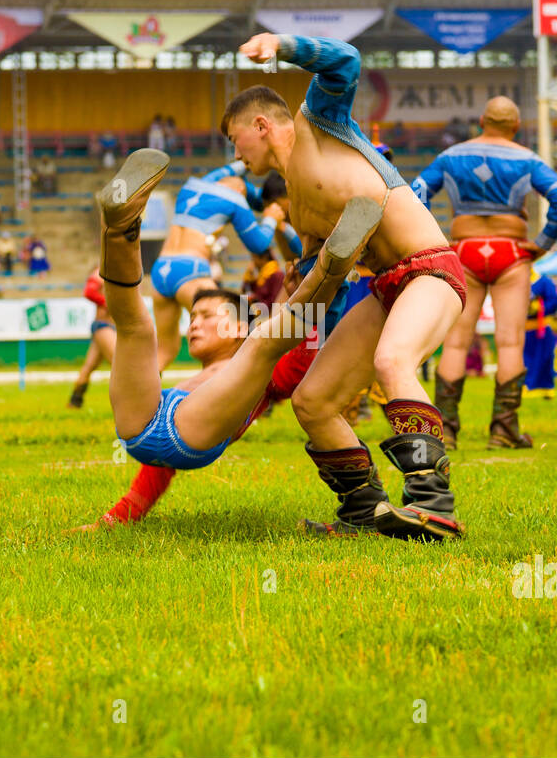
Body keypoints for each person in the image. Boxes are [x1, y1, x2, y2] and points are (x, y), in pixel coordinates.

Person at [230, 33, 468, 541]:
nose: (236, 154)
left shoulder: (318, 123)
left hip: (431, 269)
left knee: (393, 361)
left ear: (260, 124)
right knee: (312, 400)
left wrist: (282, 44)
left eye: (235, 140)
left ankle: (434, 504)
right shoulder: (297, 207)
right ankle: (363, 512)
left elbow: (346, 61)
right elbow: (323, 286)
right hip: (384, 289)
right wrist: (262, 350)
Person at [92, 148, 379, 499]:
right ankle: (119, 226)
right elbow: (156, 465)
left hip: (192, 434)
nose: (193, 325)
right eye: (193, 317)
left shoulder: (264, 376)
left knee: (264, 345)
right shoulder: (209, 371)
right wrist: (118, 517)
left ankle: (330, 271)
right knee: (135, 324)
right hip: (142, 426)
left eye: (208, 317)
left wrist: (309, 300)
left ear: (240, 326)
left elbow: (294, 351)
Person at [413, 95, 557, 449]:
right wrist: (544, 241)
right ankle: (503, 430)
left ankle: (447, 431)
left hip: (464, 250)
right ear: (515, 127)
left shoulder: (451, 157)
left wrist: (433, 238)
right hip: (511, 252)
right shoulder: (527, 159)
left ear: (482, 120)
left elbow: (416, 191)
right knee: (510, 341)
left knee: (455, 341)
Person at [149, 159, 283, 367]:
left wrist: (246, 163)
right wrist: (271, 218)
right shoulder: (236, 199)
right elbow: (259, 244)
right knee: (229, 337)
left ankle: (138, 399)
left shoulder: (191, 186)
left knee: (165, 350)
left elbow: (227, 170)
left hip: (161, 269)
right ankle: (225, 395)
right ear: (240, 189)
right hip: (190, 270)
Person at [69, 268, 116, 409]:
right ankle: (128, 404)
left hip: (108, 326)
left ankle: (75, 401)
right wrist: (107, 303)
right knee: (120, 363)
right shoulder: (101, 271)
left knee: (89, 366)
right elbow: (89, 291)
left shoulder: (113, 271)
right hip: (104, 326)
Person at [522, 270, 557, 398]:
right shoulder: (516, 280)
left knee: (544, 358)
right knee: (525, 359)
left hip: (541, 328)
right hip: (521, 329)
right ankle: (526, 386)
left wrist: (539, 307)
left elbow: (554, 302)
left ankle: (547, 387)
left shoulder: (544, 281)